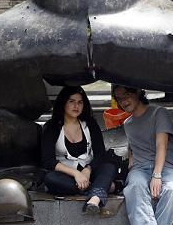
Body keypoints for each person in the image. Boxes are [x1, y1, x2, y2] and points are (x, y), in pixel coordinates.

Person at [112, 85, 173, 225]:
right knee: (134, 188)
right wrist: (131, 160)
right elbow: (133, 146)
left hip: (166, 168)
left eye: (126, 95)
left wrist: (157, 175)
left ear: (138, 91)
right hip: (140, 169)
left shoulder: (159, 113)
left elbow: (161, 144)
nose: (124, 101)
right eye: (119, 99)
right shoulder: (127, 124)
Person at [41, 86, 118, 214]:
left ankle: (94, 200)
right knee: (50, 178)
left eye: (80, 102)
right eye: (71, 101)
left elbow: (100, 154)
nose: (76, 106)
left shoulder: (90, 124)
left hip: (89, 172)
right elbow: (48, 160)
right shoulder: (52, 126)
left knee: (109, 167)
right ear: (63, 103)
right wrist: (76, 174)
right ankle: (101, 187)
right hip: (67, 175)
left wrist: (87, 170)